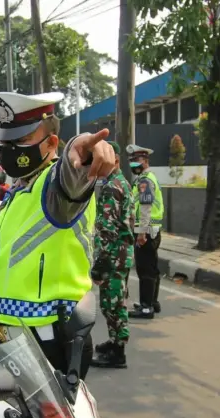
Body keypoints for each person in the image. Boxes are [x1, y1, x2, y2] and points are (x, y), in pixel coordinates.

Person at [0, 91, 115, 381]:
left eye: (21, 141)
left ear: (51, 143)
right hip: (15, 337)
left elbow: (73, 173)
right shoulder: (18, 191)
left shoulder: (56, 189)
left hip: (50, 339)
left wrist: (80, 150)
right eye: (5, 143)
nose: (10, 149)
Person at [90, 142, 135, 369]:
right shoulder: (120, 183)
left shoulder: (112, 187)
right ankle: (115, 341)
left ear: (114, 160)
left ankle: (118, 353)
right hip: (120, 254)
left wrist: (101, 264)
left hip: (114, 255)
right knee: (115, 300)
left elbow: (108, 229)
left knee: (112, 303)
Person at [126, 144, 165, 320]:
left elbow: (145, 207)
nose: (133, 164)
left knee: (145, 271)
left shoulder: (144, 181)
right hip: (154, 231)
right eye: (131, 161)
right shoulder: (150, 178)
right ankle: (153, 302)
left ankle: (146, 307)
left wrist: (141, 233)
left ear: (145, 161)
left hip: (146, 232)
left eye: (136, 160)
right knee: (153, 268)